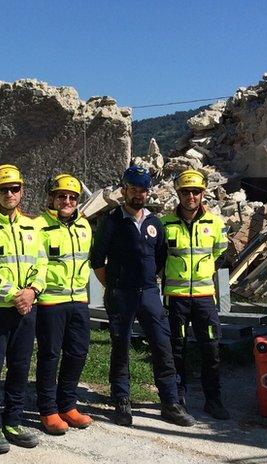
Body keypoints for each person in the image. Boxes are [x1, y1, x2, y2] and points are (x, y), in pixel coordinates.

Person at [90, 166, 195, 428]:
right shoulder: (113, 220)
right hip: (121, 294)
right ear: (124, 190)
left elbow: (160, 257)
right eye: (133, 189)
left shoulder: (154, 222)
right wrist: (113, 284)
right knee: (121, 346)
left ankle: (170, 402)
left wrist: (147, 281)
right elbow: (96, 259)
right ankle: (122, 399)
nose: (138, 194)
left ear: (148, 192)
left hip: (149, 294)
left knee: (162, 345)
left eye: (143, 190)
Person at [0, 164, 47, 453]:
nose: (9, 194)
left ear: (21, 191)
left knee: (19, 366)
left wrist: (32, 292)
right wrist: (14, 295)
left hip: (27, 309)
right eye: (3, 189)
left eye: (14, 189)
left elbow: (42, 263)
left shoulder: (32, 226)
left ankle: (13, 420)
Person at [161, 169, 231, 420]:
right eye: (185, 191)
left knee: (211, 348)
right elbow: (160, 258)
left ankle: (213, 399)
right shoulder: (165, 224)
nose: (191, 196)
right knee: (176, 349)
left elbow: (220, 254)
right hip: (175, 296)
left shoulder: (215, 223)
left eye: (195, 192)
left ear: (203, 193)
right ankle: (177, 399)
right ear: (178, 193)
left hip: (204, 297)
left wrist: (204, 272)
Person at [35, 173, 94, 435]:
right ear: (52, 198)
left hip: (79, 299)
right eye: (62, 196)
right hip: (51, 301)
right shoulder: (39, 226)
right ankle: (48, 410)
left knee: (78, 353)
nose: (67, 201)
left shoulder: (85, 226)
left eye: (72, 197)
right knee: (50, 356)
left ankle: (68, 404)